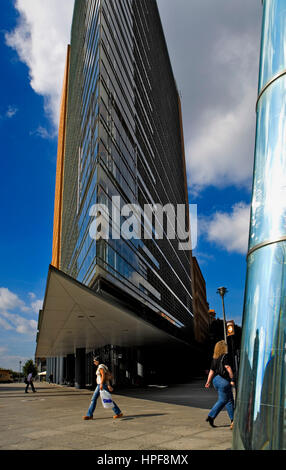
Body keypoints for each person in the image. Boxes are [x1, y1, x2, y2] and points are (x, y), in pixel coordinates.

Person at [205, 340, 235, 430]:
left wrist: (208, 381)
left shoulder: (215, 358)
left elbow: (211, 371)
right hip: (224, 381)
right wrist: (232, 379)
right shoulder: (225, 356)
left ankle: (232, 420)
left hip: (216, 380)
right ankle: (211, 416)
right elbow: (228, 367)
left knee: (227, 400)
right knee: (225, 400)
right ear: (223, 347)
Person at [83, 356, 123, 420]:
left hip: (101, 385)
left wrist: (101, 384)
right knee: (95, 399)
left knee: (107, 399)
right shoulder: (103, 366)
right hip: (100, 385)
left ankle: (118, 413)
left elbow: (104, 376)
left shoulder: (101, 366)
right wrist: (108, 385)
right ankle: (89, 415)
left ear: (98, 361)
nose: (94, 362)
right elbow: (105, 377)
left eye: (94, 361)